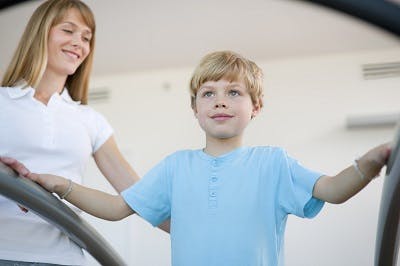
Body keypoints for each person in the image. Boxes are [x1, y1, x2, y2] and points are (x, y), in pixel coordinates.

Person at [25, 51, 392, 266]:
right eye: (208, 93)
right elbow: (117, 207)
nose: (220, 100)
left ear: (256, 107)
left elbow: (332, 189)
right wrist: (63, 186)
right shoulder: (175, 167)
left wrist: (369, 164)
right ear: (195, 108)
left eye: (234, 92)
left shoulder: (273, 163)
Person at [0, 1, 171, 265]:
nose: (78, 42)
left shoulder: (90, 120)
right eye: (68, 30)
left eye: (86, 37)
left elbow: (139, 195)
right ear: (40, 33)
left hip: (64, 258)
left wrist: (200, 233)